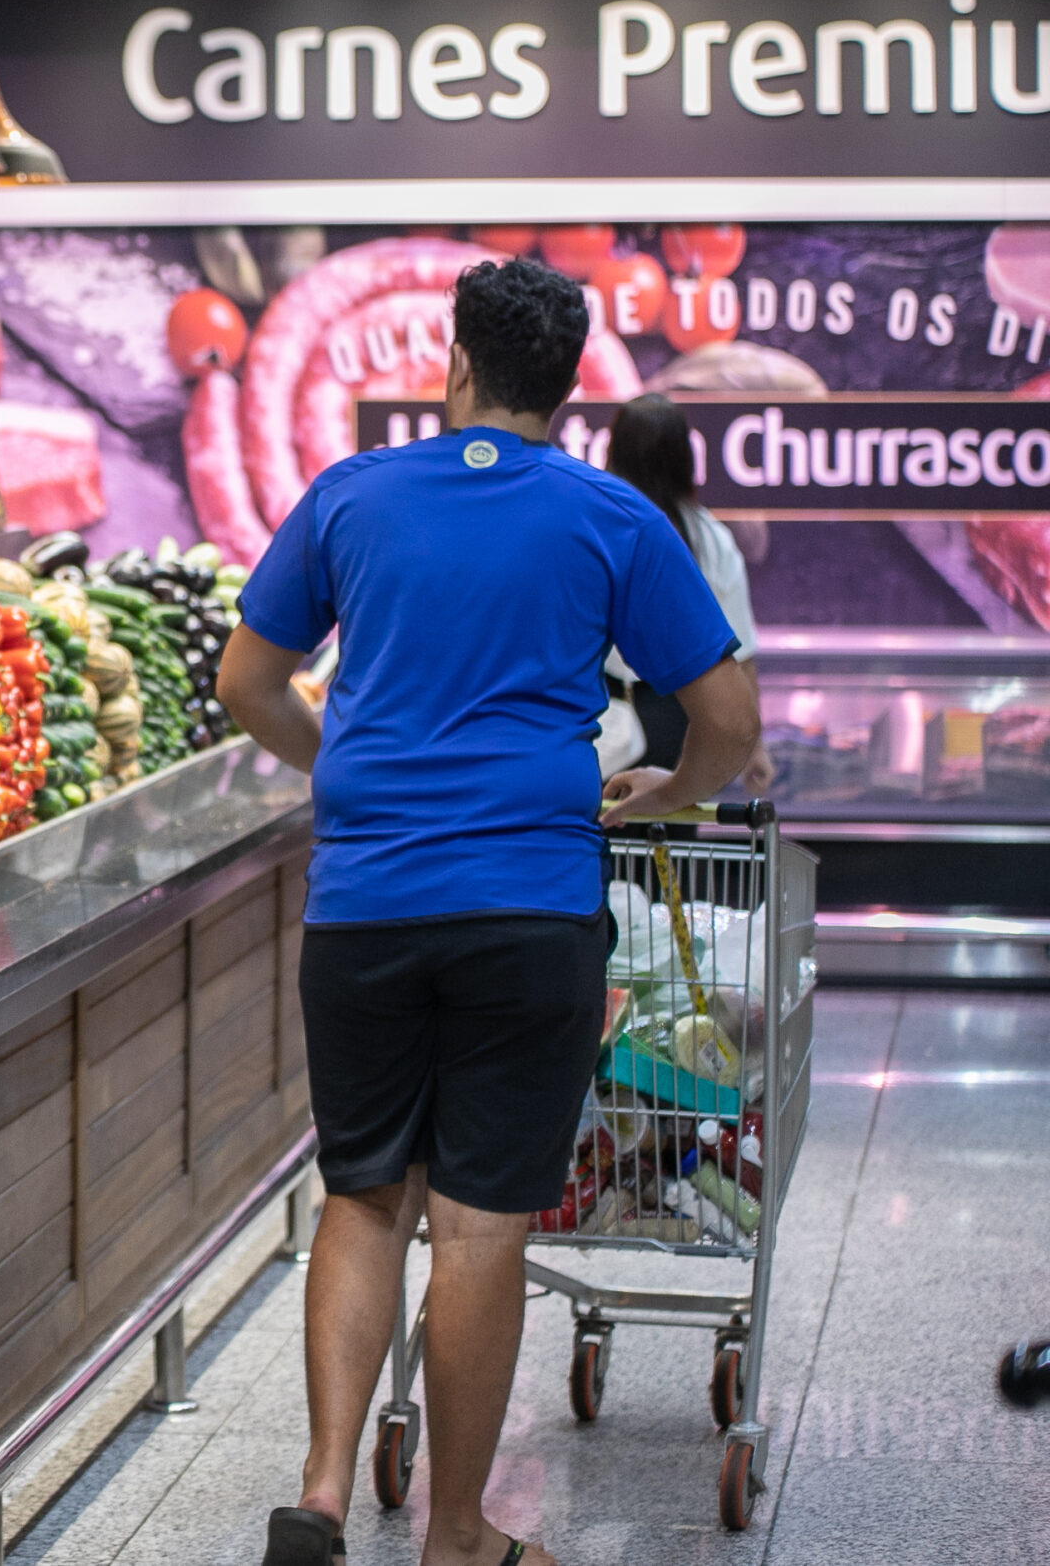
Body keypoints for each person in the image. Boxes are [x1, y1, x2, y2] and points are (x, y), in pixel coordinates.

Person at [216, 258, 760, 1566]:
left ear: (453, 363)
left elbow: (249, 679)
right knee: (476, 1222)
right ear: (569, 390)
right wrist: (664, 793)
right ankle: (455, 1533)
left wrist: (346, 772)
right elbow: (730, 720)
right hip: (528, 904)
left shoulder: (351, 493)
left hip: (366, 905)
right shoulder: (611, 516)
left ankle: (325, 1490)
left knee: (360, 1196)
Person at [603, 392, 775, 793]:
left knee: (600, 842)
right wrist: (754, 747)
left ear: (614, 451)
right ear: (684, 456)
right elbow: (739, 652)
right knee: (672, 839)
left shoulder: (594, 528)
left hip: (597, 715)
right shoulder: (711, 539)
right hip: (682, 715)